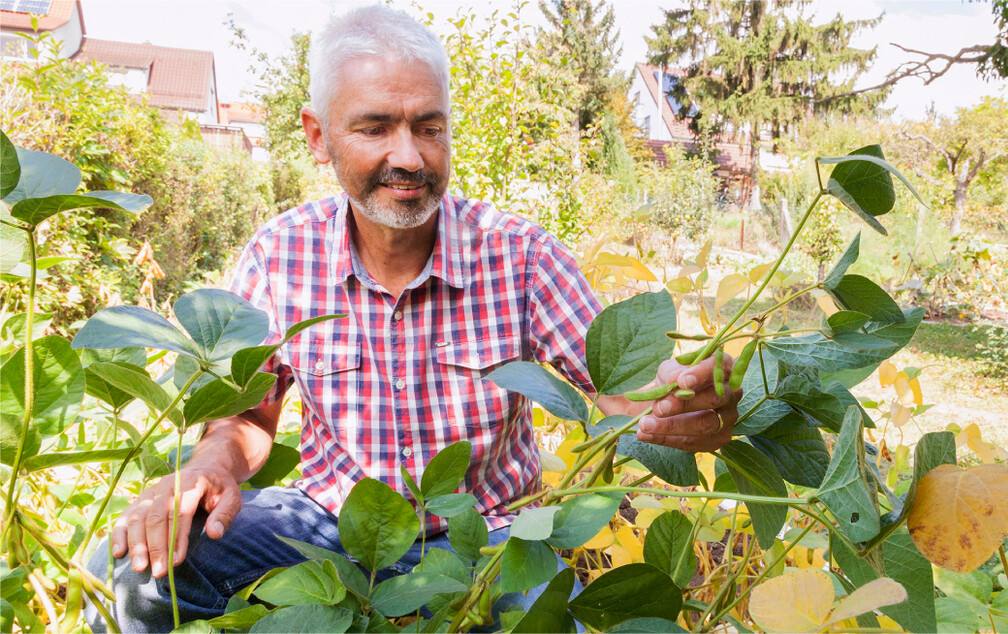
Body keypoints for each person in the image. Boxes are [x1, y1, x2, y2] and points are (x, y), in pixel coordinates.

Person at [85, 5, 740, 632]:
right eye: (375, 128)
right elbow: (247, 419)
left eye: (428, 127)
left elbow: (623, 393)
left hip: (490, 538)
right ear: (318, 136)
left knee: (547, 623)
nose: (409, 157)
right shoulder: (279, 256)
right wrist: (212, 465)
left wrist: (681, 404)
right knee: (133, 569)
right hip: (328, 529)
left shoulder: (520, 255)